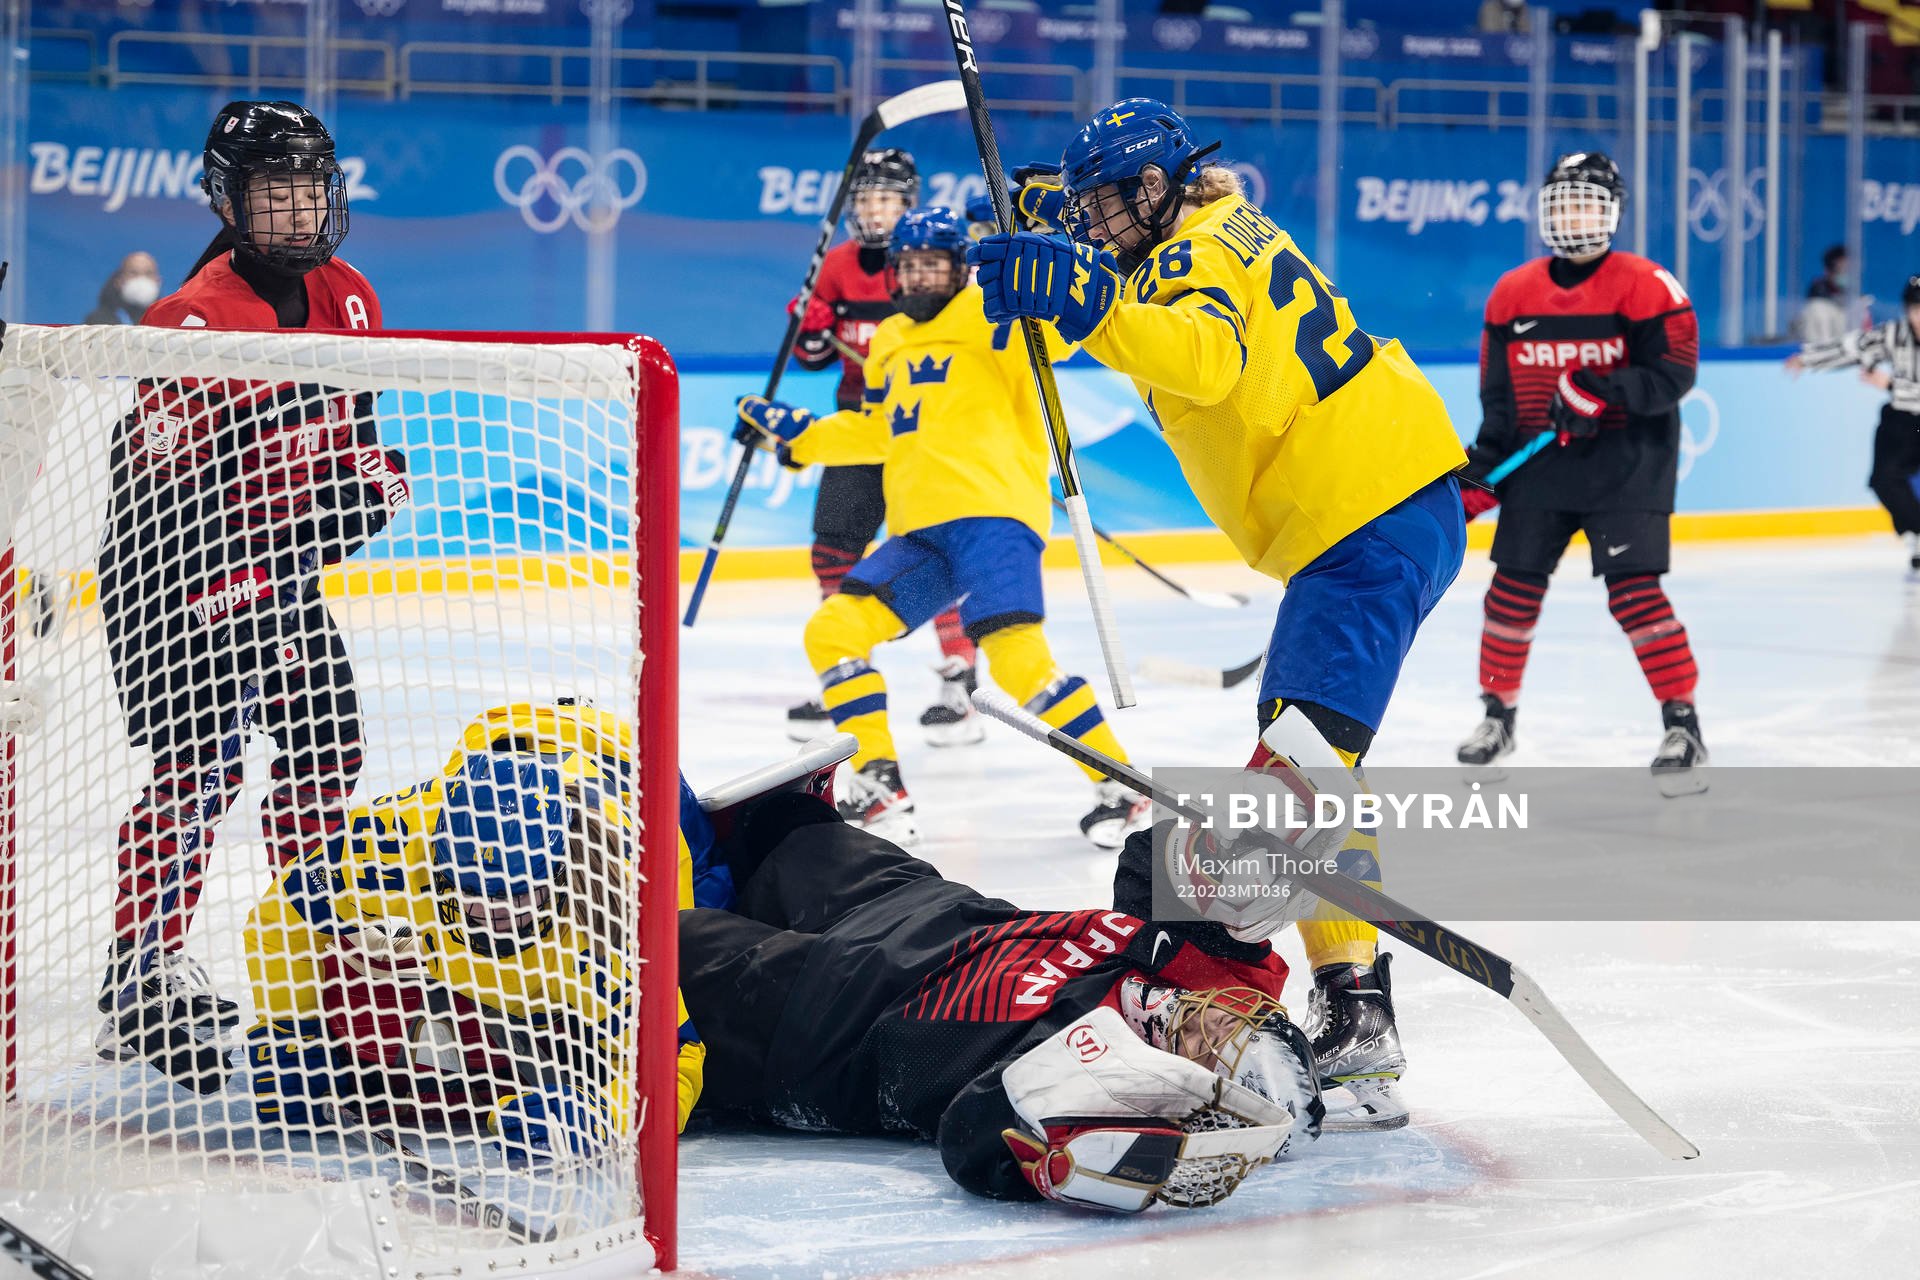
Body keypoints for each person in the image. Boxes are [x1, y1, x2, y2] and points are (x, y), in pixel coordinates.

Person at [968, 98, 1467, 1130]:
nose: (1101, 222)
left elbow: (1203, 356)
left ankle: (1230, 988)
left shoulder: (1183, 260)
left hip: (1359, 523)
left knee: (1279, 794)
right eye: (1088, 207)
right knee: (1309, 764)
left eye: (1117, 201)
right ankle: (1355, 1005)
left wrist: (1082, 297)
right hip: (1377, 506)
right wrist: (1052, 224)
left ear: (1164, 185)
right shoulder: (1217, 224)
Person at [95, 101, 410, 1069]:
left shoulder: (352, 294)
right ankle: (137, 972)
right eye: (277, 192)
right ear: (229, 201)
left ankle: (312, 947)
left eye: (312, 189)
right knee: (202, 769)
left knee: (328, 740)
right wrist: (260, 553)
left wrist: (363, 490)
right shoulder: (189, 317)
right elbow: (161, 492)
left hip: (273, 571)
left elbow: (351, 445)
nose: (300, 212)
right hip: (168, 574)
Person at [680, 786, 1323, 1211]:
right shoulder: (1207, 973)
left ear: (1202, 1087)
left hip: (818, 1010)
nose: (1215, 1017)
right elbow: (1144, 862)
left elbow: (971, 1133)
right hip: (915, 903)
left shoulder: (1097, 1078)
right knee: (783, 820)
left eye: (1217, 1046)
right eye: (1239, 1020)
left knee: (649, 935)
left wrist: (1075, 1159)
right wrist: (1232, 848)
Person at [734, 207, 1151, 850]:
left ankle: (1119, 784)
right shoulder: (891, 341)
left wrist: (1046, 257)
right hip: (920, 534)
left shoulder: (997, 315)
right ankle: (879, 779)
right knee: (834, 629)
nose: (922, 274)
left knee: (1017, 660)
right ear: (895, 274)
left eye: (935, 263)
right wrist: (799, 437)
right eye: (910, 265)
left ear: (960, 268)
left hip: (993, 519)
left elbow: (1065, 330)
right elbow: (879, 430)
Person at [244, 702, 719, 1151]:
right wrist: (290, 1032)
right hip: (501, 735)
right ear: (441, 862)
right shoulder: (397, 840)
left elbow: (677, 1058)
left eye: (514, 896)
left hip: (632, 772)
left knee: (704, 933)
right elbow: (277, 916)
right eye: (472, 893)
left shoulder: (616, 902)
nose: (495, 915)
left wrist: (598, 1118)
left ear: (557, 875)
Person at [1452, 151, 1706, 792]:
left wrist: (1602, 389)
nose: (1574, 215)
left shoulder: (1647, 283)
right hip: (1540, 469)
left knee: (1634, 594)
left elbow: (1674, 373)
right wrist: (1481, 477)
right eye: (1564, 202)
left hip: (1627, 467)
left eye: (1588, 202)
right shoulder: (1513, 291)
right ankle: (1497, 716)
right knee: (1510, 592)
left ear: (1612, 212)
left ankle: (1683, 722)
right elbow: (1500, 401)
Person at [782, 149, 983, 748]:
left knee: (933, 552)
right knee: (833, 549)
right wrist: (811, 330)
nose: (873, 211)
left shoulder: (931, 265)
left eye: (886, 200)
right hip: (858, 424)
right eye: (864, 200)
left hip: (925, 431)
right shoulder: (836, 265)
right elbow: (813, 360)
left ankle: (960, 681)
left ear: (908, 204)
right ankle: (843, 667)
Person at [1788, 274, 1920, 577]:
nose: (1918, 317)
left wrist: (1893, 384)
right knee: (1884, 479)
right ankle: (1916, 533)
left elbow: (1892, 383)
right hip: (1903, 421)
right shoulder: (1895, 334)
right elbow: (1852, 348)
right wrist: (1808, 358)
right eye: (1914, 310)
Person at [83, 251, 163, 324]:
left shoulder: (168, 321)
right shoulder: (97, 321)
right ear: (119, 281)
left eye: (148, 273)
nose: (141, 278)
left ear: (158, 281)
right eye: (133, 273)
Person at [1792, 244, 1849, 344]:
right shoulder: (1817, 302)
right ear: (1828, 270)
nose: (1845, 273)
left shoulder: (1854, 298)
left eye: (1848, 269)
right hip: (1822, 352)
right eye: (1840, 269)